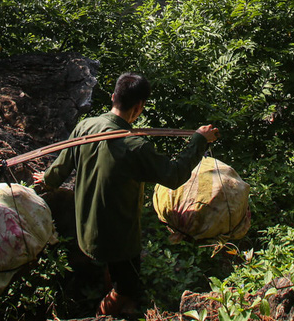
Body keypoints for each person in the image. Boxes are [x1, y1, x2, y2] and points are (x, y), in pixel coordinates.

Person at [36, 72, 219, 317]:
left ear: (113, 97)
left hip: (85, 232)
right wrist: (198, 141)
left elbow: (58, 171)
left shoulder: (86, 127)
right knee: (127, 287)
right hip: (119, 242)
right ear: (139, 107)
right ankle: (102, 313)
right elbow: (174, 176)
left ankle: (107, 286)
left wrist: (45, 179)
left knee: (112, 271)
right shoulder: (136, 147)